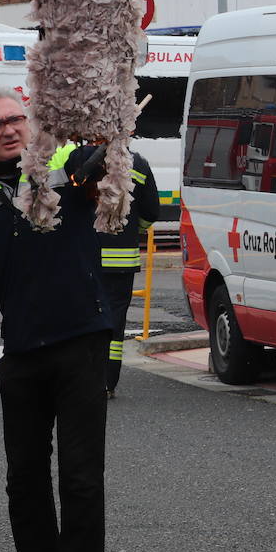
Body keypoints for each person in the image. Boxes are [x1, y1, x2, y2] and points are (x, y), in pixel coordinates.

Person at [0, 89, 112, 552]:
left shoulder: (67, 168)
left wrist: (104, 129)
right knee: (24, 478)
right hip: (21, 354)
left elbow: (107, 158)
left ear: (32, 123)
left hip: (80, 342)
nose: (9, 129)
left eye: (16, 119)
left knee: (81, 477)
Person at [98, 150, 160, 397]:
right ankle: (107, 382)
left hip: (84, 257)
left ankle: (82, 377)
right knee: (114, 321)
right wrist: (134, 229)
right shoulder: (139, 163)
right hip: (121, 258)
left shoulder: (78, 157)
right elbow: (151, 211)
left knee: (82, 314)